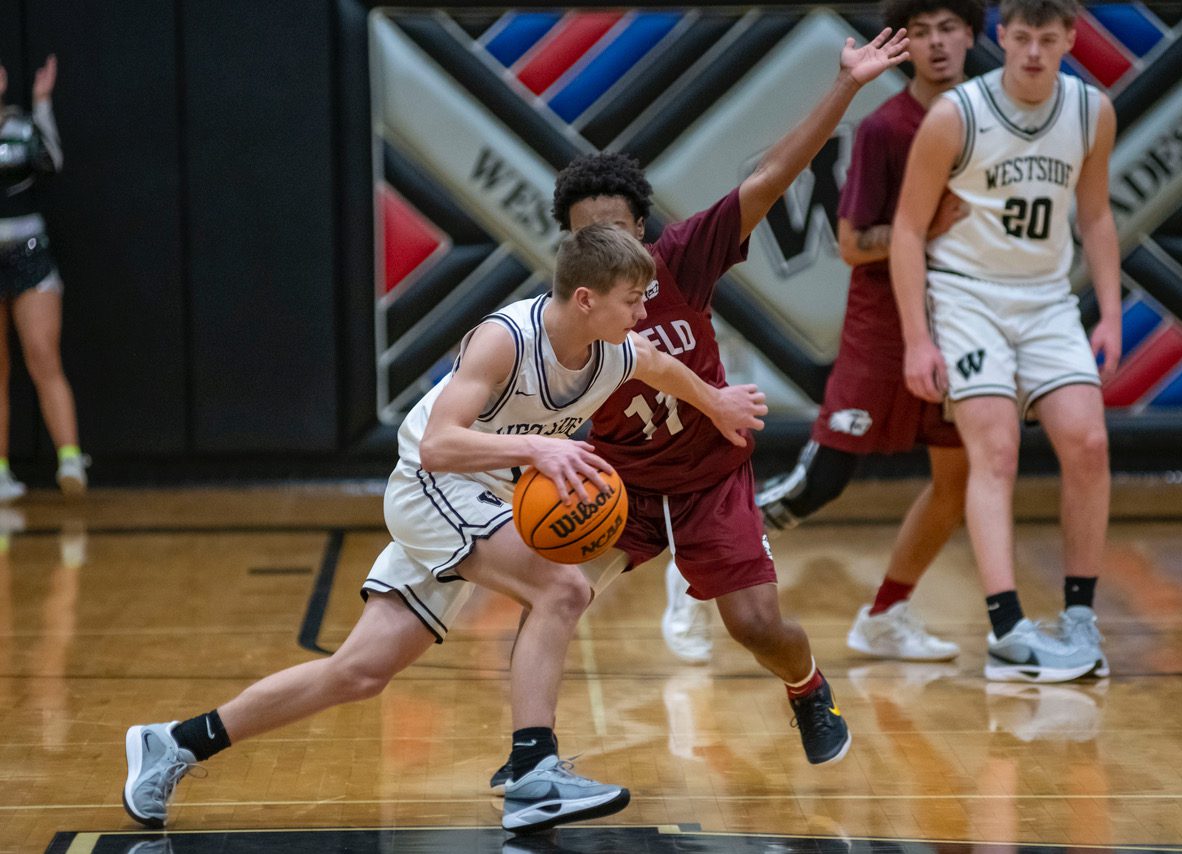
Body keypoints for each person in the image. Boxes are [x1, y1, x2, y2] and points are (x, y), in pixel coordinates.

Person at [121, 224, 768, 834]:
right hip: (432, 485)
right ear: (584, 299)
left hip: (484, 496)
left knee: (359, 672)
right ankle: (532, 769)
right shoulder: (505, 340)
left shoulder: (617, 351)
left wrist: (717, 404)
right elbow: (437, 446)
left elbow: (662, 369)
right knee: (563, 589)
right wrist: (537, 449)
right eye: (630, 300)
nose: (641, 312)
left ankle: (174, 743)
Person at [487, 28, 911, 786]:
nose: (603, 244)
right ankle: (531, 756)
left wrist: (846, 84)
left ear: (640, 230)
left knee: (754, 624)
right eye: (587, 236)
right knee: (552, 595)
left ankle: (808, 688)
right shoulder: (560, 314)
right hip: (622, 483)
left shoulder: (682, 257)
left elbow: (773, 176)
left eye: (615, 229)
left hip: (710, 476)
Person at [891, 0, 1119, 682]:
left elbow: (1096, 215)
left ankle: (1079, 615)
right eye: (1021, 38)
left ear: (1069, 39)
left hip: (1047, 299)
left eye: (1047, 39)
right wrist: (917, 340)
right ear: (1000, 36)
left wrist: (1109, 314)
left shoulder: (1091, 111)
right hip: (967, 296)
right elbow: (907, 230)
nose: (1033, 53)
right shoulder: (955, 115)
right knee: (995, 451)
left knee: (1088, 442)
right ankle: (1008, 631)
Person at [756, 0, 987, 664]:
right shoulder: (887, 129)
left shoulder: (993, 121)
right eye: (921, 32)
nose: (936, 43)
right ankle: (702, 560)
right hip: (883, 325)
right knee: (826, 477)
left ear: (971, 35)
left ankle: (884, 615)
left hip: (962, 319)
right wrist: (926, 226)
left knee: (958, 478)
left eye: (948, 28)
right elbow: (854, 244)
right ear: (905, 46)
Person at [0, 54, 89, 499]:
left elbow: (51, 161)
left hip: (28, 252)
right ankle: (0, 471)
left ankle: (69, 459)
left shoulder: (21, 128)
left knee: (42, 355)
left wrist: (42, 103)